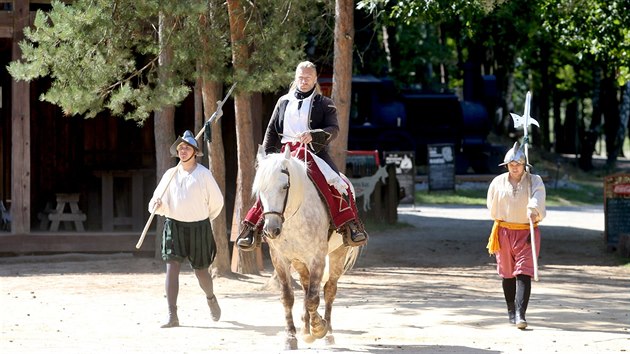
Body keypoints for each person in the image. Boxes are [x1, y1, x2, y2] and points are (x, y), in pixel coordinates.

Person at [235, 60, 368, 251]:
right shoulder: (283, 101)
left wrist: (314, 135)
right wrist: (266, 157)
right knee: (270, 184)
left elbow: (334, 129)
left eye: (308, 78)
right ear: (295, 78)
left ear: (315, 80)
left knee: (337, 183)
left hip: (313, 152)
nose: (303, 81)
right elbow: (272, 130)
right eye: (300, 77)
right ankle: (251, 228)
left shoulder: (325, 103)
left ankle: (349, 225)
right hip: (285, 153)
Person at [148, 130, 224, 328]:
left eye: (186, 148)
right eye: (180, 148)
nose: (182, 151)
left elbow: (217, 203)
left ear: (194, 152)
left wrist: (202, 219)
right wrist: (157, 205)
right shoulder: (170, 175)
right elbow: (157, 201)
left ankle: (210, 298)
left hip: (199, 228)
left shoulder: (204, 175)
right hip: (173, 226)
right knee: (171, 268)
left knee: (201, 272)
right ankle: (172, 315)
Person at [486, 141, 546, 330]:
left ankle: (521, 314)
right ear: (506, 165)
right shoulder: (498, 182)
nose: (514, 168)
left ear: (524, 165)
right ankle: (511, 310)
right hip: (504, 231)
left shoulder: (534, 180)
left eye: (518, 164)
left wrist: (533, 207)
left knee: (523, 271)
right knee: (508, 274)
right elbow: (491, 205)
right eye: (511, 165)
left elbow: (538, 196)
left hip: (526, 231)